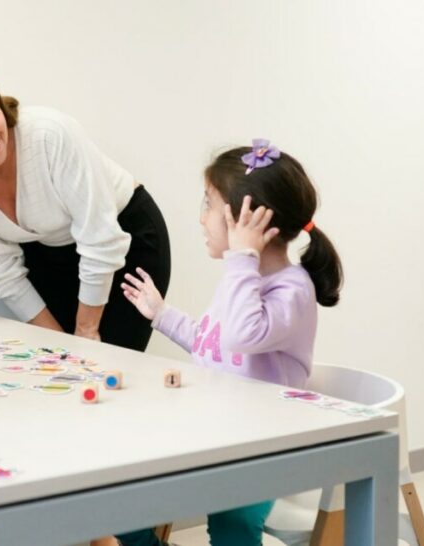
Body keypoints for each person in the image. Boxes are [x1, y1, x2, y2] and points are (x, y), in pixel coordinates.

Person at [115, 139, 343, 545]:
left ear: (244, 222)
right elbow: (215, 343)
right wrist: (162, 314)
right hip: (217, 436)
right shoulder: (242, 282)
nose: (201, 219)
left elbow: (242, 336)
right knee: (120, 503)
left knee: (233, 528)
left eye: (208, 205)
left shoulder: (291, 289)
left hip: (262, 450)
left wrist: (242, 259)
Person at [0, 60, 171, 350]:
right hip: (51, 253)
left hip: (122, 236)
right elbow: (0, 273)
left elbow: (100, 238)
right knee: (59, 361)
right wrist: (58, 345)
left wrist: (86, 331)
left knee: (110, 361)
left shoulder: (49, 135)